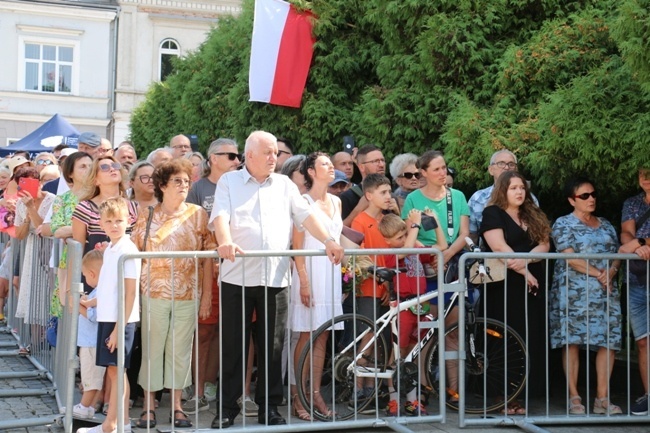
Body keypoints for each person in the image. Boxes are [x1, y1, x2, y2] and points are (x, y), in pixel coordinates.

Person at [210, 130, 344, 428]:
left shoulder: (285, 185)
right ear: (250, 156)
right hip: (237, 276)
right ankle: (226, 409)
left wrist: (328, 240)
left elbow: (306, 217)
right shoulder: (229, 181)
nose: (274, 157)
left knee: (273, 346)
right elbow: (219, 216)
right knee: (233, 346)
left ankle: (269, 408)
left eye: (275, 152)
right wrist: (225, 240)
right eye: (268, 152)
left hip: (275, 278)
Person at [132, 159, 216, 429]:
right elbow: (134, 255)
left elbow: (207, 259)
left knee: (180, 351)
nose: (183, 186)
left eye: (186, 181)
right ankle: (148, 406)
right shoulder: (147, 215)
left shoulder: (198, 214)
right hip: (153, 291)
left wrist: (206, 297)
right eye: (177, 181)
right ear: (162, 185)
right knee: (152, 349)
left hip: (188, 292)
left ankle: (177, 406)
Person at [479, 170, 551, 412]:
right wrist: (525, 271)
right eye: (513, 188)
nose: (519, 192)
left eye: (522, 187)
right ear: (503, 191)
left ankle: (523, 393)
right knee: (505, 338)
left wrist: (527, 264)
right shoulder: (492, 213)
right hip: (504, 286)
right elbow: (500, 248)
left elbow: (544, 244)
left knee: (530, 334)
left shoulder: (533, 213)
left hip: (531, 285)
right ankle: (502, 396)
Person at [549, 177, 622, 415]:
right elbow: (570, 257)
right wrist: (600, 273)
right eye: (584, 196)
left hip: (605, 294)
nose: (591, 199)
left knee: (608, 341)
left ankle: (602, 398)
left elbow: (617, 256)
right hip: (573, 294)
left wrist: (610, 272)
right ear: (572, 200)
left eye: (593, 194)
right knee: (572, 341)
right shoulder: (563, 224)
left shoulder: (607, 224)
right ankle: (574, 396)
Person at [183, 138, 240, 414]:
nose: (236, 160)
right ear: (213, 158)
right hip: (207, 268)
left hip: (237, 267)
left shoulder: (240, 185)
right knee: (204, 330)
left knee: (230, 331)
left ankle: (215, 386)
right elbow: (193, 227)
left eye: (238, 155)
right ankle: (197, 389)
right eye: (230, 156)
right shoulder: (198, 188)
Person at [76, 197, 141, 433]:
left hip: (120, 319)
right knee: (114, 371)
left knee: (117, 370)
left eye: (119, 220)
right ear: (101, 224)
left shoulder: (127, 249)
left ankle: (111, 424)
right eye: (109, 221)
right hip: (108, 316)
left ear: (129, 221)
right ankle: (118, 423)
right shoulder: (111, 248)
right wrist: (91, 300)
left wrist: (117, 329)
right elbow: (107, 286)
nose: (114, 225)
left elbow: (130, 292)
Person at [290, 152, 344, 421]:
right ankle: (298, 395)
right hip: (309, 272)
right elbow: (296, 245)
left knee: (322, 335)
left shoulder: (336, 201)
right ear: (311, 171)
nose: (331, 167)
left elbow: (337, 238)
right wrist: (303, 280)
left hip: (330, 274)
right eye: (325, 164)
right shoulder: (302, 201)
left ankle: (315, 393)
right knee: (306, 335)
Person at [378, 211, 446, 417]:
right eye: (398, 237)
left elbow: (442, 248)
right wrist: (414, 227)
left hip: (421, 304)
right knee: (397, 355)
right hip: (404, 306)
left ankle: (412, 401)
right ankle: (392, 401)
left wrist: (435, 223)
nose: (403, 239)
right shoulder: (391, 251)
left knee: (414, 355)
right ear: (388, 240)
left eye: (404, 234)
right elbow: (404, 250)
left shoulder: (414, 246)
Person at [350, 173, 397, 412]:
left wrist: (388, 284)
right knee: (367, 337)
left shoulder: (387, 220)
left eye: (390, 192)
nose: (389, 197)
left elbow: (391, 255)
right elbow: (362, 258)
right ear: (369, 195)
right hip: (368, 288)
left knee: (379, 339)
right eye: (383, 193)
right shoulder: (361, 221)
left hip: (384, 287)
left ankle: (371, 388)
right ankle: (358, 388)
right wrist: (380, 280)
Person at [72, 156, 138, 294]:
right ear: (95, 180)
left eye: (115, 165)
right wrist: (72, 287)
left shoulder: (134, 207)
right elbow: (77, 250)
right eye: (104, 167)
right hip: (94, 279)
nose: (112, 169)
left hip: (126, 277)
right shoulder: (85, 208)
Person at [42, 152, 93, 319]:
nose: (88, 169)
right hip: (70, 259)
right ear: (70, 173)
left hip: (97, 259)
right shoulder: (62, 200)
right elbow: (57, 230)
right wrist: (87, 227)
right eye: (82, 166)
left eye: (90, 166)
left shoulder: (98, 197)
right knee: (69, 310)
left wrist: (72, 228)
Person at [619, 166, 650, 415]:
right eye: (642, 173)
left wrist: (638, 243)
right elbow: (626, 234)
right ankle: (649, 395)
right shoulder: (632, 203)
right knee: (642, 342)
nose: (646, 178)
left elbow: (632, 240)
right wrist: (638, 243)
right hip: (636, 279)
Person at [13, 166, 55, 324]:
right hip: (31, 250)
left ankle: (49, 338)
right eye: (24, 184)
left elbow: (42, 230)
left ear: (39, 183)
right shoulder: (20, 203)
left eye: (33, 182)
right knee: (33, 293)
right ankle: (34, 342)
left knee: (48, 291)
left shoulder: (52, 199)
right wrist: (27, 217)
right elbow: (19, 235)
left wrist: (31, 207)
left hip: (49, 249)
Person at [468, 149, 538, 243]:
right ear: (491, 170)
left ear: (516, 170)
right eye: (501, 163)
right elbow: (471, 235)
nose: (506, 167)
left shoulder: (529, 199)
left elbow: (538, 233)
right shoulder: (477, 199)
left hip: (525, 254)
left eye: (511, 164)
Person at [73, 250, 106, 419]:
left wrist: (77, 306)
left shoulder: (101, 292)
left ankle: (84, 405)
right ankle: (89, 408)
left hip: (91, 343)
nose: (85, 279)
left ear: (92, 274)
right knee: (93, 377)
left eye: (85, 275)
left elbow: (94, 316)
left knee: (90, 378)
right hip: (91, 342)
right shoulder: (99, 291)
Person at [340, 144, 387, 226]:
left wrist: (396, 212)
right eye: (375, 161)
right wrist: (358, 209)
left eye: (382, 160)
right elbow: (339, 231)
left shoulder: (390, 195)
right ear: (361, 167)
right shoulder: (348, 197)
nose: (381, 165)